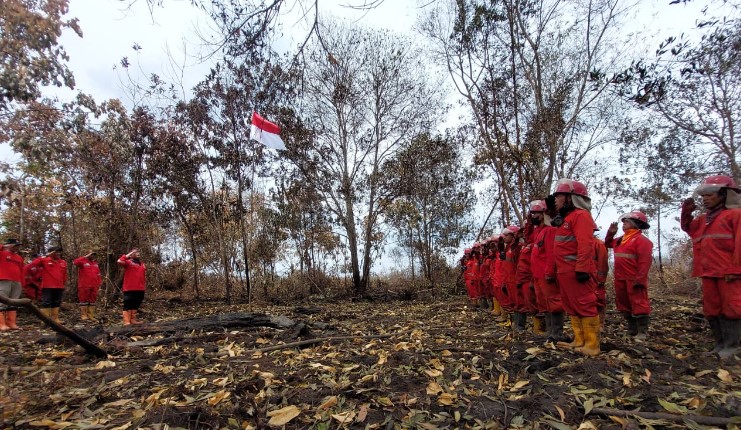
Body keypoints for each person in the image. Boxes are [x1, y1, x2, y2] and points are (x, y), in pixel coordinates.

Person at [681, 175, 741, 359]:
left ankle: (732, 347)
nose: (705, 199)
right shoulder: (703, 219)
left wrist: (735, 269)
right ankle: (720, 345)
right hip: (708, 271)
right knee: (711, 309)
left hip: (728, 272)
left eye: (710, 195)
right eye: (703, 196)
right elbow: (689, 229)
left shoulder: (735, 215)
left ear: (724, 194)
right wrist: (686, 212)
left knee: (732, 308)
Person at [546, 179, 600, 356]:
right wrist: (551, 211)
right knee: (572, 305)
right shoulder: (566, 218)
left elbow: (585, 244)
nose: (556, 199)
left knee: (584, 305)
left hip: (577, 271)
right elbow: (551, 225)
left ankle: (592, 344)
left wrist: (582, 268)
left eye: (559, 196)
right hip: (565, 271)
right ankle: (579, 340)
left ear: (570, 198)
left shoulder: (581, 216)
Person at [605, 211, 653, 340]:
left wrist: (640, 279)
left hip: (634, 278)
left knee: (639, 303)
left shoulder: (642, 241)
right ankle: (632, 330)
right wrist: (611, 233)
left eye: (626, 222)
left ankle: (642, 332)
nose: (623, 224)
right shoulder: (621, 239)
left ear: (634, 223)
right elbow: (608, 244)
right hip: (620, 278)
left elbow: (645, 262)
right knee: (624, 303)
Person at [517, 201, 547, 336]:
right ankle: (540, 329)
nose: (533, 215)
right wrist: (529, 221)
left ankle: (545, 330)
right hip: (531, 276)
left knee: (544, 303)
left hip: (540, 275)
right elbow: (529, 236)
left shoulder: (546, 230)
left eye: (536, 213)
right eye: (532, 213)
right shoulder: (535, 234)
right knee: (534, 302)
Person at [31, 246, 68, 323]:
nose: (58, 253)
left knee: (57, 302)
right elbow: (34, 263)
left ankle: (55, 319)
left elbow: (64, 275)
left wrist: (64, 284)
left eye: (59, 252)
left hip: (59, 286)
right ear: (51, 253)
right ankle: (45, 320)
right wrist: (46, 255)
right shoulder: (44, 260)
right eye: (56, 252)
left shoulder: (63, 262)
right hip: (48, 286)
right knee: (46, 302)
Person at [500, 226, 523, 330]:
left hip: (516, 279)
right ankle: (514, 324)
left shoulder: (518, 247)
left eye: (506, 235)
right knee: (513, 303)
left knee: (519, 304)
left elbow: (520, 265)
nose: (504, 237)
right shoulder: (508, 248)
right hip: (509, 280)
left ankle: (520, 326)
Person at [0, 239, 25, 330]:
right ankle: (1, 324)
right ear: (8, 245)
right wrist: (3, 246)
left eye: (18, 245)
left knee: (14, 302)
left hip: (16, 281)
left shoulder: (19, 257)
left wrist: (23, 283)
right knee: (2, 302)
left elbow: (22, 271)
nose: (17, 247)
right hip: (3, 279)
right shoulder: (2, 253)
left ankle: (11, 323)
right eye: (15, 245)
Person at [118, 248, 146, 325]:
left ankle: (133, 320)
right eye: (136, 253)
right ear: (132, 255)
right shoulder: (128, 262)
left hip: (140, 288)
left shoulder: (142, 264)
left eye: (138, 252)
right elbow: (119, 261)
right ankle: (126, 321)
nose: (138, 254)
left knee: (136, 303)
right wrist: (129, 254)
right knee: (128, 303)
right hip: (130, 288)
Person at [73, 251, 102, 321]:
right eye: (91, 255)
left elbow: (98, 275)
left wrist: (99, 284)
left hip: (94, 285)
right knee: (83, 300)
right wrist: (85, 256)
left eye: (94, 255)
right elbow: (75, 262)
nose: (93, 256)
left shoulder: (95, 264)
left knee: (92, 300)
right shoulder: (83, 262)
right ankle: (84, 315)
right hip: (84, 284)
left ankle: (91, 315)